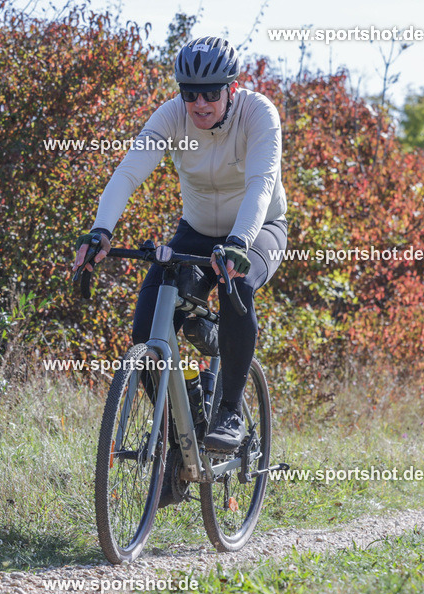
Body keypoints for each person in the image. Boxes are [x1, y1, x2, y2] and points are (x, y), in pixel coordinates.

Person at [73, 36, 288, 467]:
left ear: (232, 87)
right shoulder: (172, 116)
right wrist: (100, 232)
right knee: (146, 328)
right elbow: (129, 172)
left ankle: (228, 413)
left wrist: (239, 243)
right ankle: (177, 441)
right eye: (190, 93)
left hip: (258, 229)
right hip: (195, 231)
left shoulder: (258, 113)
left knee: (237, 284)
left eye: (211, 93)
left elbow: (261, 183)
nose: (200, 103)